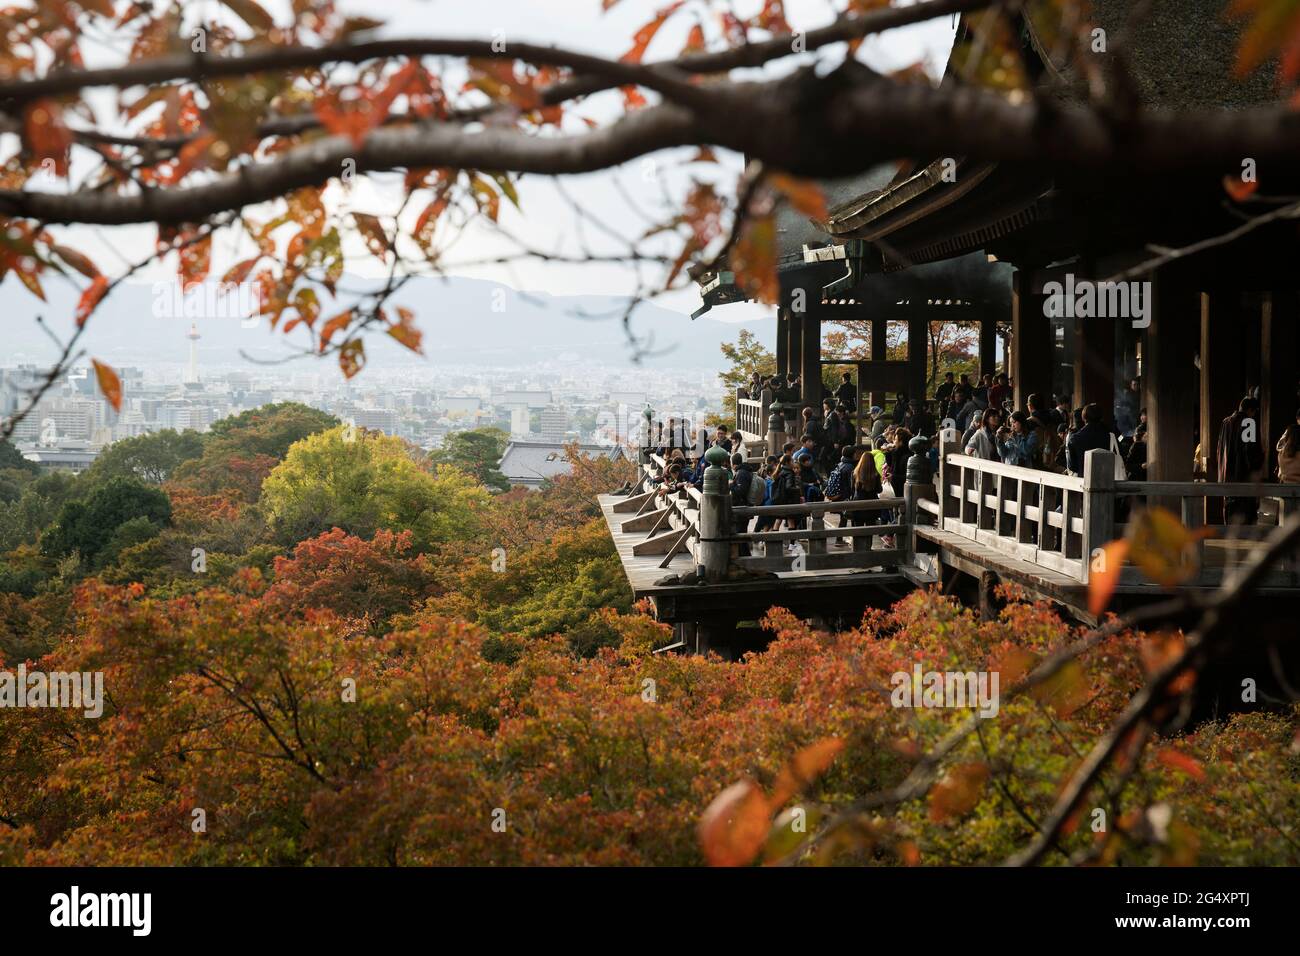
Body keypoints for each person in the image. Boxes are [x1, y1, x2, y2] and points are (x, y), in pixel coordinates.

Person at [1217, 395, 1264, 525]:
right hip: (1242, 478)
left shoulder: (1226, 422)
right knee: (1245, 521)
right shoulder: (1248, 423)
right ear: (1251, 410)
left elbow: (1219, 450)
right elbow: (1250, 453)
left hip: (1226, 478)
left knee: (1230, 517)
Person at [1065, 403, 1112, 476]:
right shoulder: (1109, 436)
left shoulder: (1075, 438)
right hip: (1107, 478)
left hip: (1083, 478)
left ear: (1083, 418)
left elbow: (1072, 466)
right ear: (1101, 417)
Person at [1276, 409, 1300, 484]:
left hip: (1285, 486)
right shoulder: (1294, 430)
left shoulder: (1281, 455)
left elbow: (1279, 447)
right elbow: (1279, 446)